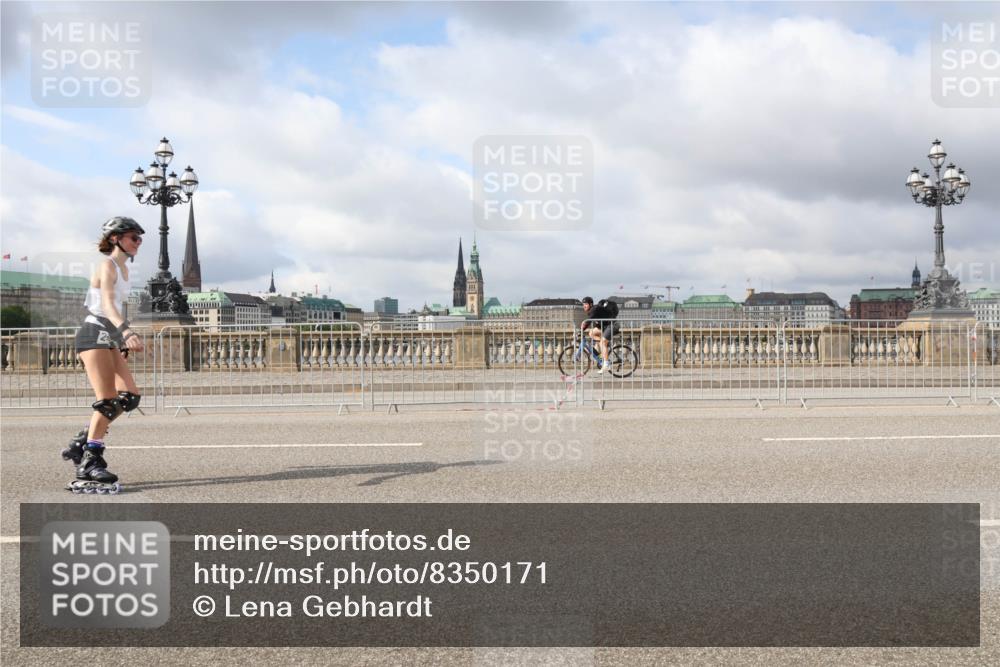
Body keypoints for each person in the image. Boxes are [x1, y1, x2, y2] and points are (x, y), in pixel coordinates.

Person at [63, 217, 146, 493]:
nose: (138, 242)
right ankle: (90, 461)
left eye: (139, 238)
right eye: (134, 237)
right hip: (93, 332)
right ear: (115, 238)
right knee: (108, 401)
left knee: (129, 397)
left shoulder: (124, 269)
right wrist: (125, 331)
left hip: (107, 335)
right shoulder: (107, 265)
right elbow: (107, 305)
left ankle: (83, 442)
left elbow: (116, 308)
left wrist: (118, 336)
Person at [580, 296, 618, 373]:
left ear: (590, 304)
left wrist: (581, 330)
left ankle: (606, 364)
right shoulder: (593, 311)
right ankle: (603, 349)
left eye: (586, 304)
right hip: (606, 327)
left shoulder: (594, 309)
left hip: (612, 325)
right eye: (583, 304)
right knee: (591, 332)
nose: (584, 306)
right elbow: (596, 325)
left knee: (603, 342)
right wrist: (581, 329)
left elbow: (589, 321)